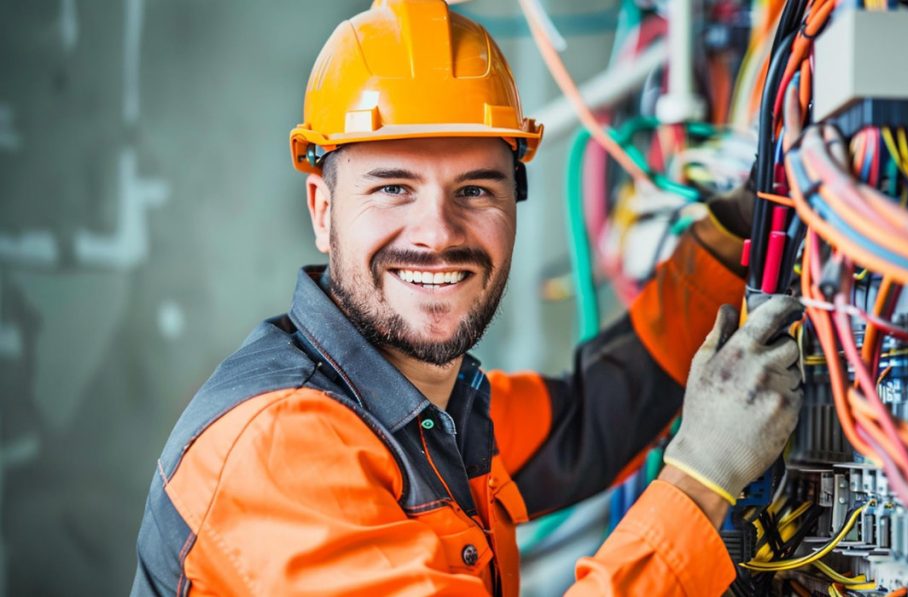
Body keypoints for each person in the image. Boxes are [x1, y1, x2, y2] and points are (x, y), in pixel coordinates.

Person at [131, 1, 802, 594]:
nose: (438, 234)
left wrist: (735, 233)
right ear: (321, 207)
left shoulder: (427, 407)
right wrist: (699, 480)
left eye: (475, 190)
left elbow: (590, 422)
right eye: (393, 187)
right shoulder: (282, 447)